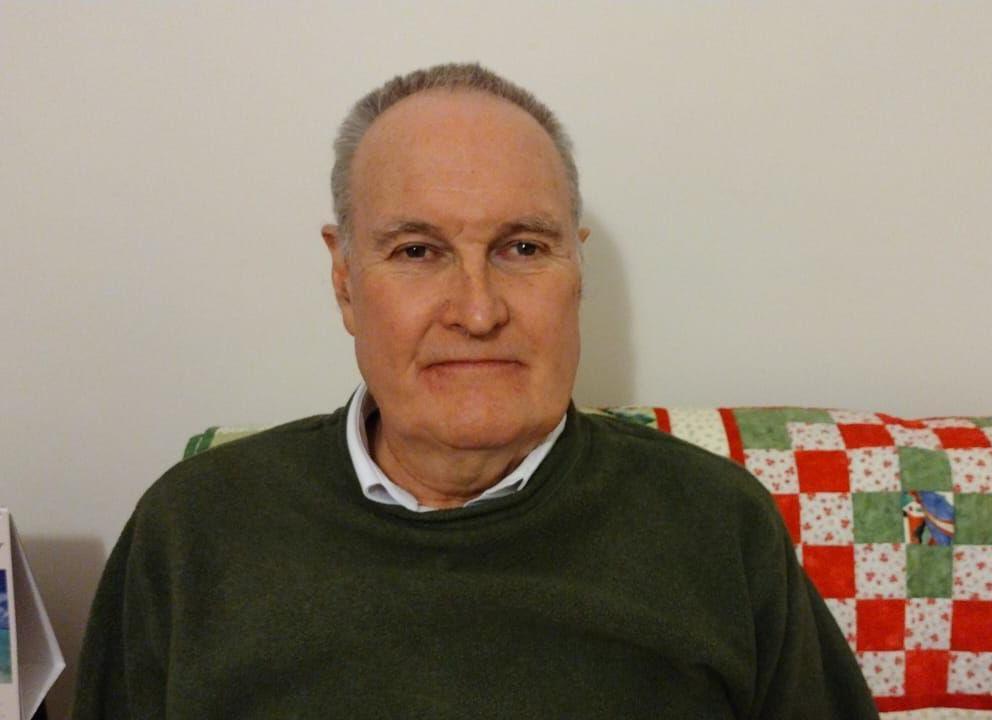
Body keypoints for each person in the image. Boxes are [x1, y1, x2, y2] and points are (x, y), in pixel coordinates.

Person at [72, 63, 878, 719]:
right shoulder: (188, 533)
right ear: (346, 280)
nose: (479, 310)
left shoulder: (715, 523)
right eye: (418, 252)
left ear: (576, 271)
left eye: (522, 247)